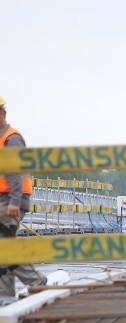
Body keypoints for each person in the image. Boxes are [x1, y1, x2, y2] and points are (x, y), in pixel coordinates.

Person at [0, 96, 48, 301]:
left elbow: (15, 171)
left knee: (5, 246)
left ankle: (36, 282)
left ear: (1, 114)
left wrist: (14, 201)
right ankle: (5, 295)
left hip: (10, 200)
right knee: (4, 247)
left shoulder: (11, 138)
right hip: (6, 199)